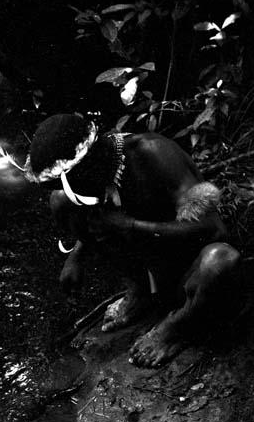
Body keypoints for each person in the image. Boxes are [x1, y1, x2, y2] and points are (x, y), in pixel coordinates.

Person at [24, 113, 240, 368]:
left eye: (68, 179)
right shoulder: (94, 172)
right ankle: (139, 293)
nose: (68, 187)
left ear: (89, 160)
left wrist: (132, 226)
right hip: (150, 266)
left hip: (188, 269)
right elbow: (100, 216)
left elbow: (214, 229)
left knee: (220, 261)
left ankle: (177, 325)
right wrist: (76, 256)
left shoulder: (154, 154)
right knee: (61, 202)